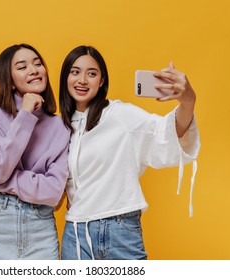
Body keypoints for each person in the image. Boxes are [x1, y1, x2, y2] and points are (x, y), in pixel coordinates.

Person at [59, 46, 200, 260]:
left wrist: (188, 100)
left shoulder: (119, 115)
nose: (82, 80)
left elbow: (164, 133)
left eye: (92, 73)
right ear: (65, 77)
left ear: (102, 81)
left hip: (119, 230)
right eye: (75, 72)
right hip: (75, 235)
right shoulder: (59, 126)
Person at [0, 43, 70, 260]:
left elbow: (52, 192)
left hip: (40, 230)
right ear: (10, 81)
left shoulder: (61, 126)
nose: (34, 70)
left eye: (38, 64)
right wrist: (26, 113)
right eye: (22, 67)